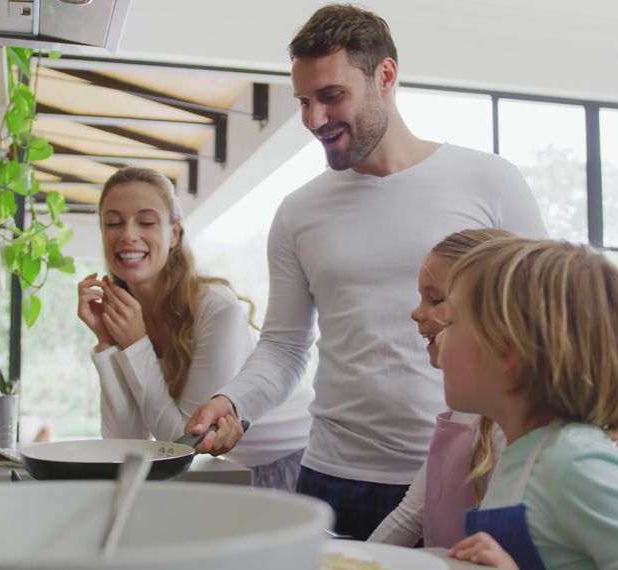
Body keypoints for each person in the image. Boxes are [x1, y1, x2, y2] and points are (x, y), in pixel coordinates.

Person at [187, 4, 548, 539]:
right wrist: (233, 399)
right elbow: (286, 346)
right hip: (333, 476)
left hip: (466, 471)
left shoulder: (489, 182)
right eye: (305, 102)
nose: (313, 120)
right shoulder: (299, 211)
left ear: (385, 76)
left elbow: (541, 333)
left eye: (332, 97)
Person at [439, 238, 618, 569]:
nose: (439, 337)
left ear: (506, 350)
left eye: (449, 322)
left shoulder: (575, 464)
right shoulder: (520, 457)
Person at [78, 166, 313, 491]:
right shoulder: (126, 315)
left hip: (294, 465)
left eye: (146, 222)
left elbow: (181, 445)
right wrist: (107, 346)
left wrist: (135, 344)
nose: (128, 234)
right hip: (227, 472)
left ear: (174, 234)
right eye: (113, 223)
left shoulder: (217, 308)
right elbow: (126, 442)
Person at [368, 229, 512, 549]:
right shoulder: (463, 406)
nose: (415, 312)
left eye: (436, 300)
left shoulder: (510, 429)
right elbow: (411, 514)